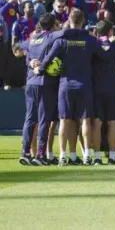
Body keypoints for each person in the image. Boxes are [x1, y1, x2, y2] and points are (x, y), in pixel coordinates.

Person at [33, 8, 115, 165]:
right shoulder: (90, 40)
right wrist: (113, 44)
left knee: (64, 121)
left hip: (65, 85)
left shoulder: (61, 40)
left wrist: (39, 69)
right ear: (83, 21)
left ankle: (63, 155)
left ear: (69, 21)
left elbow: (48, 59)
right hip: (85, 85)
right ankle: (87, 155)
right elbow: (104, 56)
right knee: (85, 120)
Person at [16, 13, 58, 165]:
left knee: (29, 119)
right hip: (44, 82)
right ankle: (40, 155)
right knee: (43, 119)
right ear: (53, 25)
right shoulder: (51, 37)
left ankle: (25, 153)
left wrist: (30, 62)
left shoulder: (33, 38)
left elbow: (18, 47)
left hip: (30, 83)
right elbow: (66, 33)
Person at [90, 21, 115, 165]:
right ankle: (112, 157)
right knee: (113, 123)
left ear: (97, 32)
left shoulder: (93, 46)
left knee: (97, 123)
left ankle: (97, 157)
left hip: (97, 89)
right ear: (110, 31)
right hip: (113, 89)